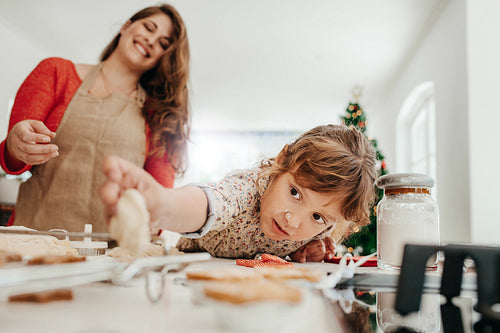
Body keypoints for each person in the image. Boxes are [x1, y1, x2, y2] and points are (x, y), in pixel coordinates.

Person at [0, 4, 190, 233]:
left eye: (163, 43)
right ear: (126, 26)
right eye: (149, 28)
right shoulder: (56, 73)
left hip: (113, 258)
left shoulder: (159, 114)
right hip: (36, 242)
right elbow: (14, 162)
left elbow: (158, 201)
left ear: (164, 58)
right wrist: (16, 145)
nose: (152, 41)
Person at [100, 124, 378, 262]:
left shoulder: (316, 230)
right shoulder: (246, 191)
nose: (293, 222)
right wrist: (163, 205)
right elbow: (208, 204)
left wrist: (305, 250)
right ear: (282, 162)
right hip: (191, 267)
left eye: (318, 217)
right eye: (295, 192)